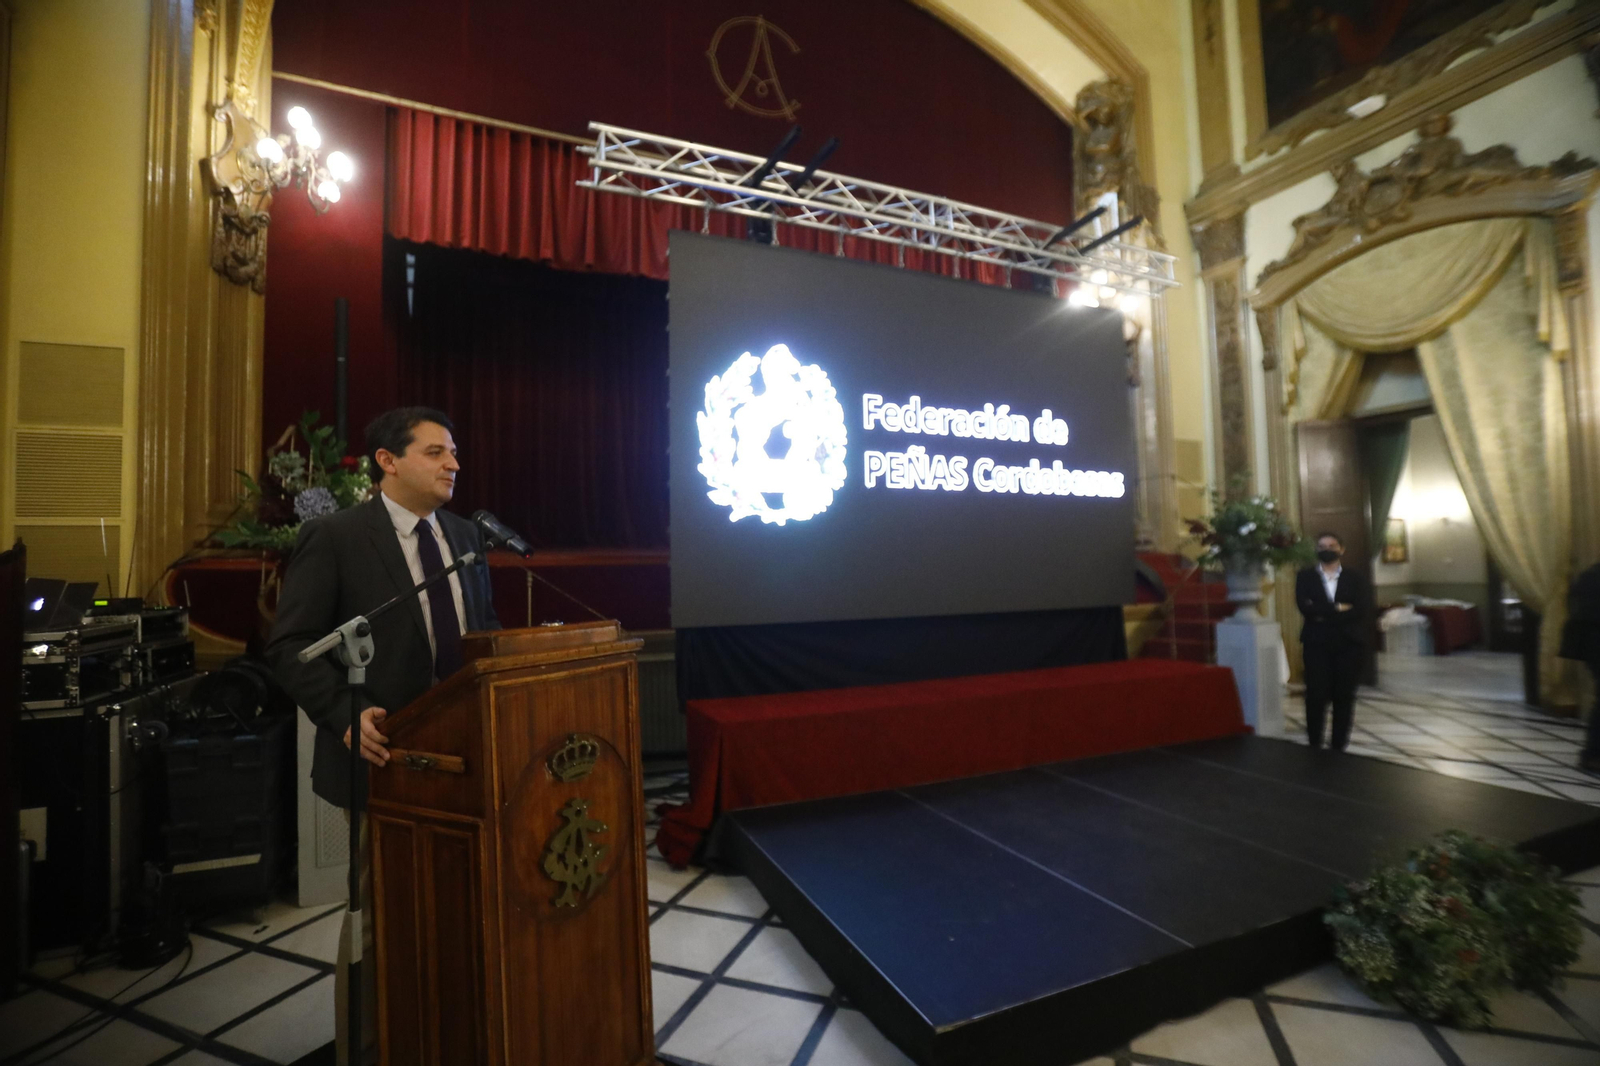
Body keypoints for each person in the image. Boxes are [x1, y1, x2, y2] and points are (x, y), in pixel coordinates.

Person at [266, 407, 500, 1065]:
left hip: (466, 758)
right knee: (384, 917)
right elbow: (288, 647)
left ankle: (449, 1031)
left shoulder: (465, 537)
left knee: (457, 910)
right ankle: (371, 1042)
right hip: (383, 759)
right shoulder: (337, 535)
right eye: (435, 452)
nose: (453, 463)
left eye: (454, 452)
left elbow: (485, 631)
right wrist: (343, 716)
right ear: (387, 461)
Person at [1295, 531, 1370, 751]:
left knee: (1344, 695)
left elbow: (1361, 610)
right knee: (1316, 695)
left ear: (1341, 549)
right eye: (1321, 546)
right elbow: (1304, 608)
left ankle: (1339, 744)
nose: (1326, 549)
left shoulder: (1356, 578)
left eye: (1332, 545)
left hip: (1348, 645)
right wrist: (1338, 608)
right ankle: (1314, 742)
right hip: (1316, 644)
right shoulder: (1305, 576)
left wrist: (1322, 612)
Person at [1560, 560, 1600, 773]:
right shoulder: (1594, 577)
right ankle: (1593, 755)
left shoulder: (1590, 574)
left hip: (1590, 644)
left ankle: (1592, 754)